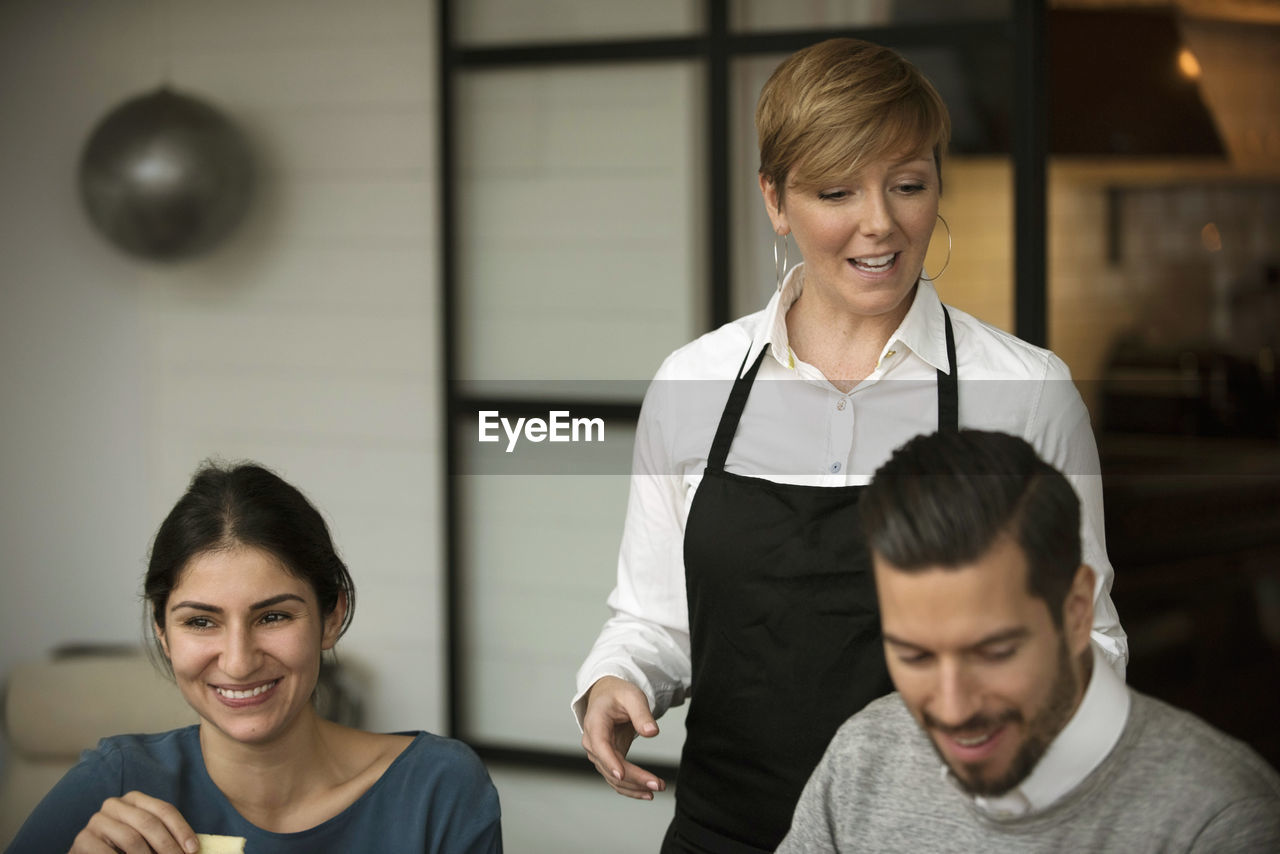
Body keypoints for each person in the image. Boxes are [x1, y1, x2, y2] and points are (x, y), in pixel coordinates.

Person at [573, 37, 1129, 853]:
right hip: (726, 835)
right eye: (837, 191)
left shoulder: (1024, 391)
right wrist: (617, 679)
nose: (881, 222)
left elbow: (1093, 644)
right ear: (775, 199)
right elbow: (657, 617)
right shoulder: (695, 382)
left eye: (908, 185)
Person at [778, 430, 1280, 853]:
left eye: (995, 653)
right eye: (915, 656)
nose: (953, 709)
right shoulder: (861, 760)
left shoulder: (1220, 820)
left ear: (1078, 608)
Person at [5, 462, 502, 854]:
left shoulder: (438, 788)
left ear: (331, 617)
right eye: (201, 622)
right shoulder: (113, 781)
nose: (239, 662)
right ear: (163, 633)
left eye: (273, 617)